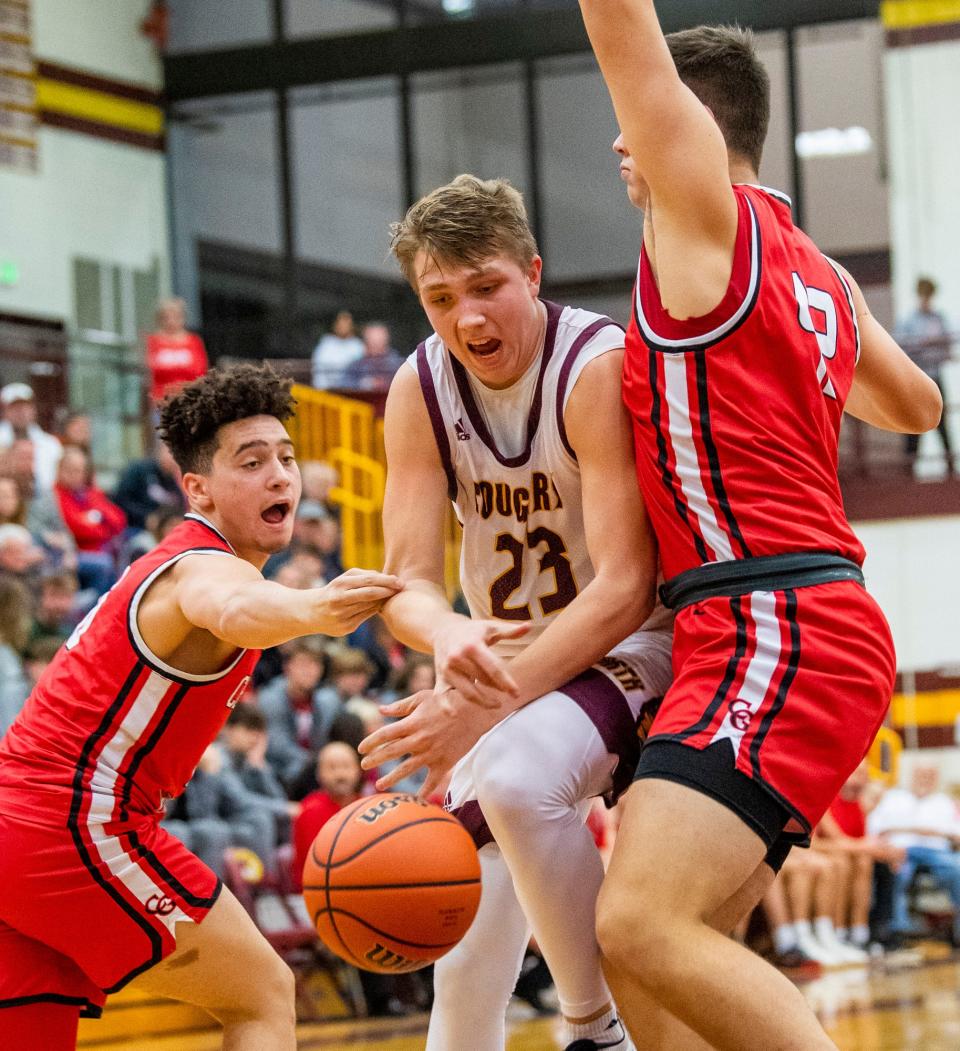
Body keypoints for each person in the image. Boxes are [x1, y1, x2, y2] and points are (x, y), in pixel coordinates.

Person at [574, 8, 944, 1049]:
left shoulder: (703, 221)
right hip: (770, 618)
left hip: (772, 615)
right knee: (657, 944)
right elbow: (917, 404)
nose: (619, 146)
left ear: (682, 125)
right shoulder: (813, 271)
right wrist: (802, 362)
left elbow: (618, 29)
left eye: (634, 126)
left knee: (641, 921)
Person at [0, 362, 403, 1051]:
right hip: (74, 826)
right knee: (261, 994)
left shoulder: (173, 560)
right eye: (251, 462)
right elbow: (230, 605)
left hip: (21, 822)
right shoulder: (200, 566)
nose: (280, 475)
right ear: (198, 488)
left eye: (285, 456)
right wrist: (316, 607)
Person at [358, 174, 673, 1051]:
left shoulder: (593, 364)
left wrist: (489, 696)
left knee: (513, 780)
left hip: (627, 653)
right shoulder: (420, 388)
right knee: (461, 967)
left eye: (486, 285)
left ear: (532, 272)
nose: (467, 317)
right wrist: (448, 630)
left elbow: (624, 584)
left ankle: (593, 1026)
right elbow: (407, 584)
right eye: (440, 297)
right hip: (503, 682)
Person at [868, 763, 960, 945]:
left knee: (957, 869)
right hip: (901, 850)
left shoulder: (945, 802)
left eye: (930, 775)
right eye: (921, 774)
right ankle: (898, 928)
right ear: (911, 776)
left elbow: (956, 835)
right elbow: (875, 828)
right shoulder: (893, 798)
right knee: (896, 872)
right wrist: (913, 831)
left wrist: (929, 832)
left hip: (936, 852)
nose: (925, 779)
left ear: (936, 780)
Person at [896, 277, 956, 474]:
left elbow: (947, 347)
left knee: (942, 423)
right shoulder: (909, 321)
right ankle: (908, 469)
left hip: (935, 376)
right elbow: (899, 347)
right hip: (916, 377)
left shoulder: (939, 319)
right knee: (913, 422)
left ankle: (950, 466)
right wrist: (924, 345)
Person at [53, 446, 127, 596]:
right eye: (71, 469)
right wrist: (103, 528)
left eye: (80, 470)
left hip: (102, 551)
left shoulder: (90, 493)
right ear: (60, 469)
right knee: (104, 564)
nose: (76, 475)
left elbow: (119, 520)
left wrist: (96, 520)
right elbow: (77, 529)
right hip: (74, 554)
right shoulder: (56, 495)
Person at [145, 297, 209, 404]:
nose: (171, 321)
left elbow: (202, 372)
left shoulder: (194, 341)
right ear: (159, 319)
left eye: (176, 317)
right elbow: (147, 374)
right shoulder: (152, 342)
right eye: (166, 317)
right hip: (160, 402)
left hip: (190, 400)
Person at [0, 383, 63, 492]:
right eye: (15, 407)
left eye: (25, 406)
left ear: (34, 409)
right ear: (5, 410)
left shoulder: (51, 444)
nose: (21, 412)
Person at [113, 442, 186, 532]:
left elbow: (177, 506)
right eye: (171, 453)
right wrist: (146, 517)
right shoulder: (140, 470)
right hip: (133, 528)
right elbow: (121, 500)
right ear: (161, 452)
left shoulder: (170, 480)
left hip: (161, 531)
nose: (175, 459)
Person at [342, 322, 406, 392]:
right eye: (372, 342)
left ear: (386, 341)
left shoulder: (400, 365)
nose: (376, 345)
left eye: (379, 341)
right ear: (365, 343)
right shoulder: (355, 366)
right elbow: (342, 386)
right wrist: (363, 384)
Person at [311, 309, 365, 389]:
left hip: (354, 392)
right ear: (335, 324)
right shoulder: (326, 345)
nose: (344, 326)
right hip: (329, 391)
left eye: (347, 322)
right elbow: (318, 373)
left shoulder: (358, 346)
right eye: (341, 322)